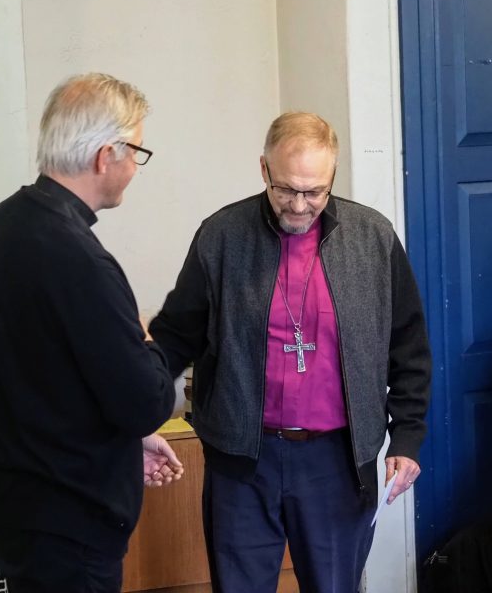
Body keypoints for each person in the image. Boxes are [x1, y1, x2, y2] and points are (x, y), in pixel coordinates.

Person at [148, 111, 432, 593]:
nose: (299, 206)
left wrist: (406, 437)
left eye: (314, 192)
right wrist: (137, 412)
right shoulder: (222, 236)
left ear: (333, 177)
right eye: (285, 190)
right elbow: (177, 334)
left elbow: (409, 345)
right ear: (264, 169)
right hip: (243, 460)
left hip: (337, 462)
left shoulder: (372, 237)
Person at [0, 73, 184, 593]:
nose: (135, 168)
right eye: (136, 153)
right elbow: (146, 403)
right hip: (66, 519)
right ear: (107, 156)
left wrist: (122, 449)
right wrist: (145, 334)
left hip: (16, 500)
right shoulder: (78, 258)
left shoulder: (3, 225)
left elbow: (45, 377)